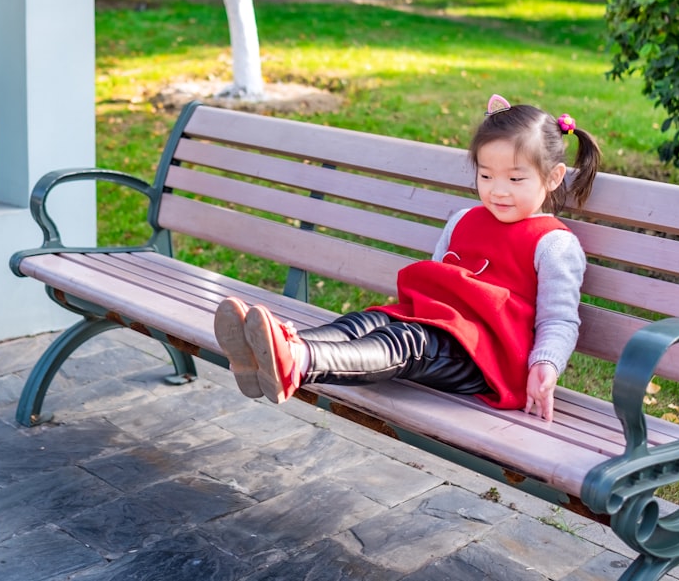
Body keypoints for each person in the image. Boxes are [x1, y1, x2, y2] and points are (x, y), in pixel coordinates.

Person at [213, 94, 601, 422]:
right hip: (440, 326)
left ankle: (299, 360)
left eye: (515, 179)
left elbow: (559, 318)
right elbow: (438, 280)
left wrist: (545, 366)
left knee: (407, 341)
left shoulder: (553, 243)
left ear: (552, 178)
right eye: (486, 177)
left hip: (489, 357)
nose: (498, 191)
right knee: (369, 320)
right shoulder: (465, 219)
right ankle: (272, 351)